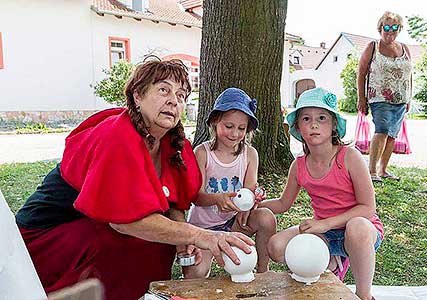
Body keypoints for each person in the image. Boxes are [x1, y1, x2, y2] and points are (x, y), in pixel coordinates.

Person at [15, 58, 254, 300]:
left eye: (181, 95)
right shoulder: (116, 135)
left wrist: (182, 235)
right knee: (128, 239)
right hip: (44, 239)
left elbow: (175, 203)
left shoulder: (174, 145)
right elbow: (123, 221)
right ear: (138, 96)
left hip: (96, 229)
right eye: (164, 90)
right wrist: (199, 235)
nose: (174, 100)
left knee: (161, 239)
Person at [259, 88, 384, 300]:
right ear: (298, 126)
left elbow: (368, 208)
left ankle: (364, 295)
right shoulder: (298, 166)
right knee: (276, 246)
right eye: (306, 118)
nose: (314, 124)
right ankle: (331, 260)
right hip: (324, 233)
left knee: (357, 227)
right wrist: (256, 204)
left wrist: (326, 223)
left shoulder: (349, 157)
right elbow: (282, 203)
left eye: (322, 118)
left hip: (360, 229)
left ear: (334, 124)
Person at [184, 87, 276, 278]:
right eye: (229, 126)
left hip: (234, 222)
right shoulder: (202, 153)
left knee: (266, 217)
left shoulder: (250, 154)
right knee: (195, 273)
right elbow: (196, 197)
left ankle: (262, 272)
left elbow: (250, 188)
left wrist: (252, 199)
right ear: (215, 122)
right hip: (203, 228)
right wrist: (218, 198)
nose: (235, 134)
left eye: (241, 128)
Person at [357, 11, 413, 182]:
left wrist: (409, 97)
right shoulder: (373, 46)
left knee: (392, 135)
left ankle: (383, 170)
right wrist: (361, 98)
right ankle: (371, 171)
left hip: (401, 99)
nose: (390, 30)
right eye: (386, 27)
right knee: (381, 131)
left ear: (399, 29)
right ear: (380, 28)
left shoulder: (404, 48)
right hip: (379, 98)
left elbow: (409, 74)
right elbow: (361, 73)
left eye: (394, 27)